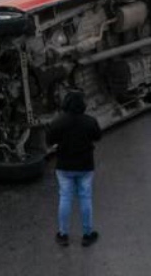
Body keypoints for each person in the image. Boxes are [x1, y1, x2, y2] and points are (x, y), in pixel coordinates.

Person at [47, 91, 103, 247]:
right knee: (85, 198)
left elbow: (49, 141)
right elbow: (98, 136)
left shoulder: (57, 122)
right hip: (85, 166)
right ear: (82, 105)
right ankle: (87, 234)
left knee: (65, 198)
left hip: (64, 167)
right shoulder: (90, 121)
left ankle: (63, 234)